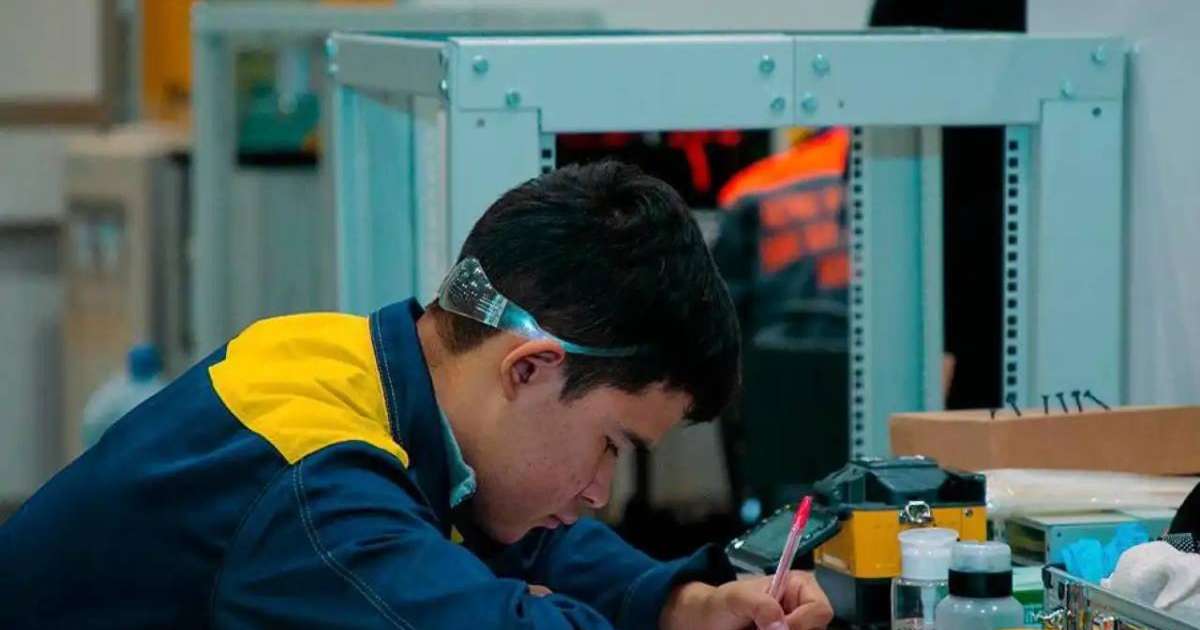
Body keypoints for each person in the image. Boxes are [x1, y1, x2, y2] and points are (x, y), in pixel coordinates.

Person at [0, 161, 833, 629]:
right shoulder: (315, 489)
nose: (598, 492)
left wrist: (683, 603)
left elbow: (520, 537)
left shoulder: (343, 356)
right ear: (530, 368)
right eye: (611, 444)